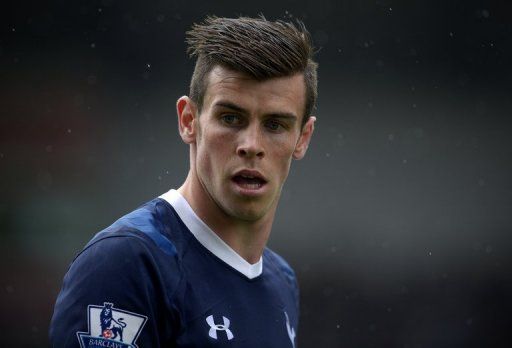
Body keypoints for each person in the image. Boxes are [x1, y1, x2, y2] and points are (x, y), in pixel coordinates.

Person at [50, 15, 318, 347]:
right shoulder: (127, 264)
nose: (251, 145)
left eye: (275, 125)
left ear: (302, 138)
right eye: (231, 118)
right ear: (188, 120)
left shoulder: (281, 282)